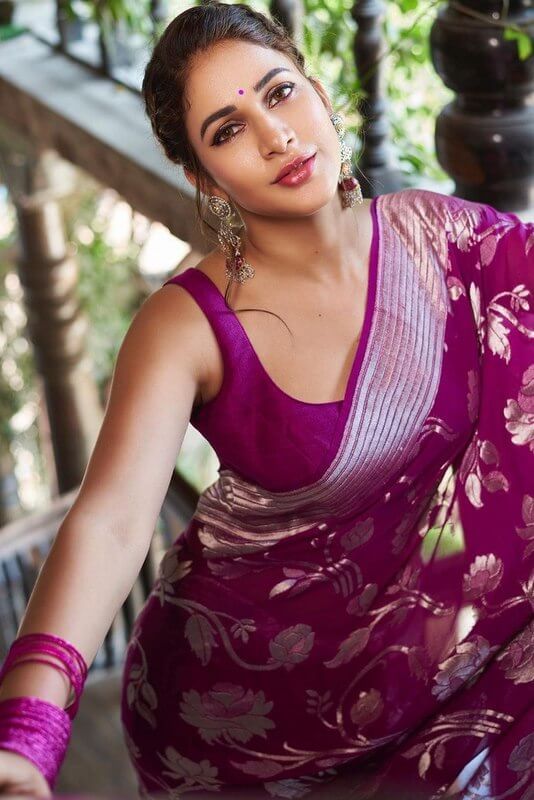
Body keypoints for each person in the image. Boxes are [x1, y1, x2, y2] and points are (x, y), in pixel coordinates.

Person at [0, 2, 532, 798]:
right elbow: (110, 523)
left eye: (280, 92)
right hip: (245, 718)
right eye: (227, 129)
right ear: (201, 177)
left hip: (451, 674)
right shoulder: (188, 325)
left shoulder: (449, 242)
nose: (276, 135)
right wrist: (28, 730)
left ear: (318, 91)